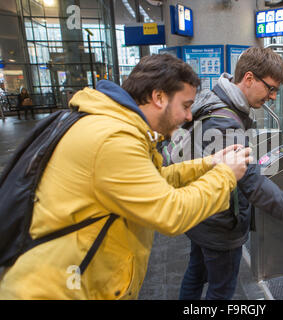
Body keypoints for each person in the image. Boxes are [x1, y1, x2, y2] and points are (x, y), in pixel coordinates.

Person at [0, 54, 252, 299]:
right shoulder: (113, 139)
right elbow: (170, 211)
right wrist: (225, 175)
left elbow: (155, 179)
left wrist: (209, 163)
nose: (189, 116)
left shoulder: (113, 125)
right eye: (185, 105)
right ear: (158, 97)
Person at [178, 47, 283, 300]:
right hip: (220, 225)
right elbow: (256, 187)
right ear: (249, 78)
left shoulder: (211, 100)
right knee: (220, 290)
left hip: (201, 216)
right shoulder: (226, 122)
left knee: (196, 273)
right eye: (270, 88)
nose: (273, 97)